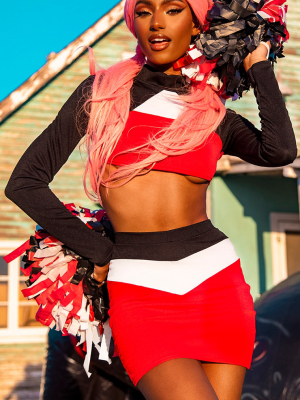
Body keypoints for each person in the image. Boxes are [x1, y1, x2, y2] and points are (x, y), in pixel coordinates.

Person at [5, 0, 297, 399]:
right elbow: (25, 183)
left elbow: (279, 152)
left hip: (217, 284)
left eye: (173, 10)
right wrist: (101, 251)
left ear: (197, 25)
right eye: (144, 11)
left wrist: (258, 65)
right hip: (141, 292)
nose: (157, 22)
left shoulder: (211, 111)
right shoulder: (102, 95)